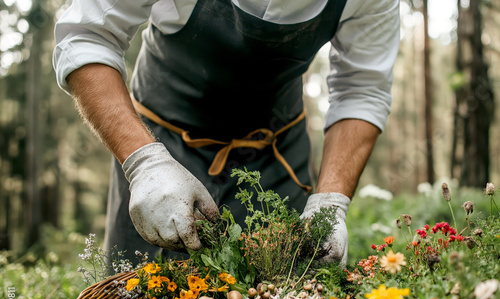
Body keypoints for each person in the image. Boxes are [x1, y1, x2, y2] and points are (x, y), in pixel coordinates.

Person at [53, 0, 400, 267]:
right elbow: (87, 35)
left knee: (284, 296)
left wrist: (332, 203)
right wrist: (144, 163)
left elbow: (362, 90)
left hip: (274, 150)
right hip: (160, 140)